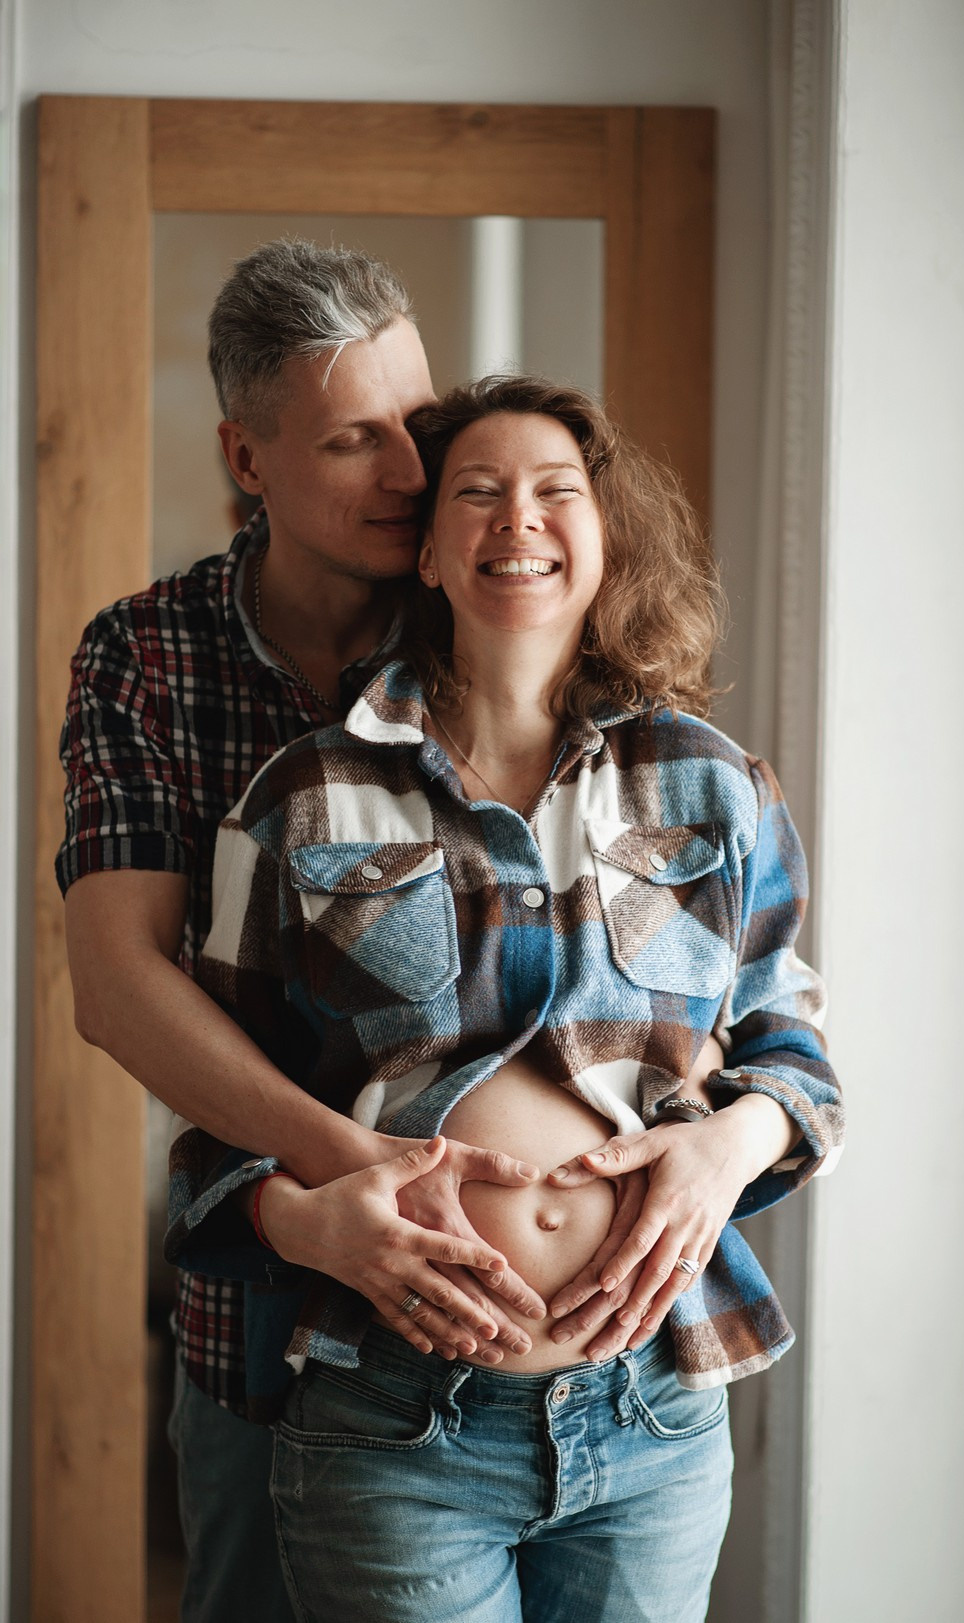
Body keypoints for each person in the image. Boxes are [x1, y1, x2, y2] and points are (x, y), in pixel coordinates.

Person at [172, 376, 844, 1622]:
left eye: (555, 492)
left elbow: (796, 1050)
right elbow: (216, 1113)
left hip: (653, 1409)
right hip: (390, 1416)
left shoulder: (711, 785)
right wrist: (307, 1227)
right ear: (425, 550)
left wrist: (722, 1151)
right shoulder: (302, 798)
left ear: (604, 540)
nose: (515, 518)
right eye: (475, 493)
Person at [57, 240, 552, 1623]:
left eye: (419, 420)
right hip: (269, 1309)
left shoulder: (495, 617)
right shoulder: (147, 655)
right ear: (249, 455)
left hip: (525, 1340)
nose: (410, 470)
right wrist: (356, 1178)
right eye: (352, 437)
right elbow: (115, 979)